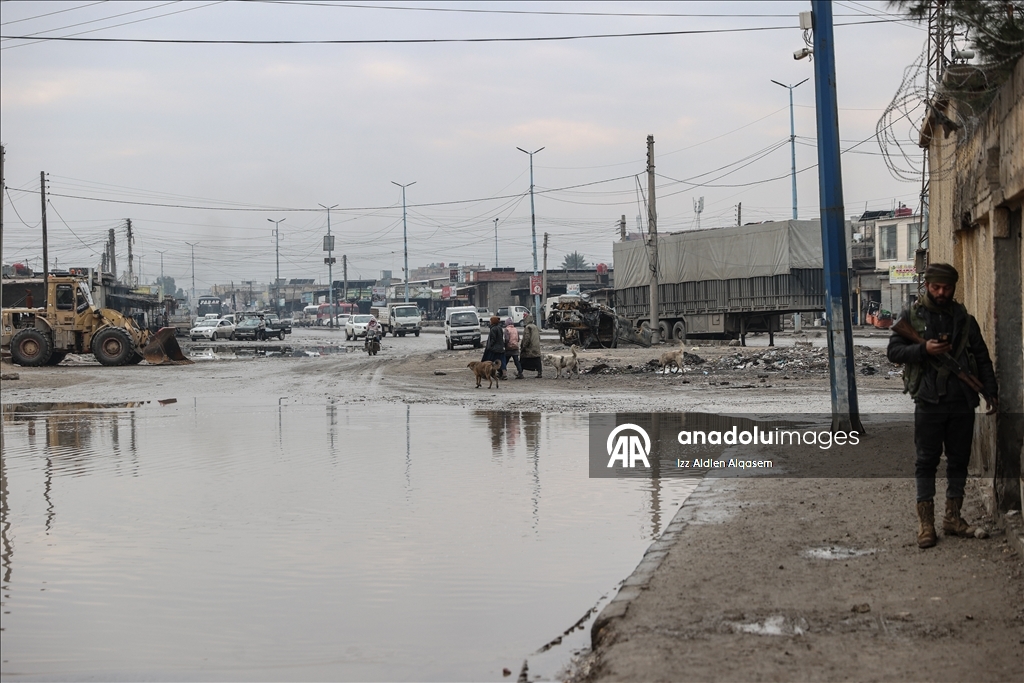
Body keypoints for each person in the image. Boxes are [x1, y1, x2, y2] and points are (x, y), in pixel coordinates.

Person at [886, 263, 998, 549]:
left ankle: (953, 518)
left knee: (959, 461)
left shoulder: (963, 319)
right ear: (927, 286)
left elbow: (982, 358)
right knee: (926, 462)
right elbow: (894, 352)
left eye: (946, 288)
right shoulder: (912, 316)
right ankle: (926, 524)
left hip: (961, 400)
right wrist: (924, 350)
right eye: (936, 287)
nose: (941, 292)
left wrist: (991, 392)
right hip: (928, 401)